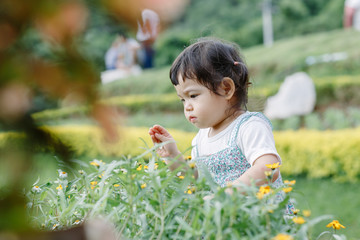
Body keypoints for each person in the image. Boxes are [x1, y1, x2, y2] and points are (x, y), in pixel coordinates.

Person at [148, 38, 292, 211]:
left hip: (264, 221)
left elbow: (268, 167)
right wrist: (173, 156)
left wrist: (226, 195)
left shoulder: (249, 126)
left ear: (226, 88)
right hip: (229, 224)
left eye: (193, 95)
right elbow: (195, 179)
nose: (187, 106)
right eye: (182, 100)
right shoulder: (201, 139)